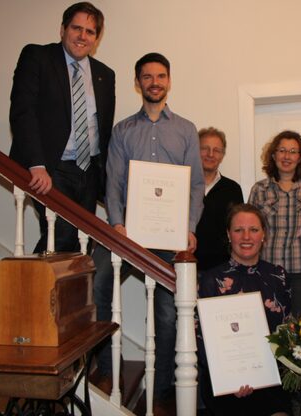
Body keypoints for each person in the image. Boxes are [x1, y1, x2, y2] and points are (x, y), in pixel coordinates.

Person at [91, 52, 204, 399]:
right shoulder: (123, 130)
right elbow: (113, 183)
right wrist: (117, 224)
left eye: (160, 76)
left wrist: (188, 227)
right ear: (137, 82)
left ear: (169, 81)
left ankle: (166, 387)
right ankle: (109, 369)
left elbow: (196, 184)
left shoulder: (186, 130)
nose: (154, 82)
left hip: (171, 238)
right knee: (97, 287)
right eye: (147, 76)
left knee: (169, 314)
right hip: (128, 235)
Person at [9, 2, 115, 253]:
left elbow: (104, 130)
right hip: (51, 168)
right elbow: (23, 112)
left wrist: (108, 182)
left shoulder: (105, 74)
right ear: (62, 29)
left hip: (88, 172)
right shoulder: (38, 57)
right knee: (60, 235)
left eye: (90, 31)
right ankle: (28, 291)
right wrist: (36, 164)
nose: (82, 36)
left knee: (81, 242)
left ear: (97, 38)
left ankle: (59, 293)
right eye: (76, 28)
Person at [198, 203, 291, 416]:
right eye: (239, 230)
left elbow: (285, 333)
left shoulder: (279, 276)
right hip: (225, 382)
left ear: (264, 235)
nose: (246, 237)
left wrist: (262, 377)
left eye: (254, 230)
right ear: (229, 235)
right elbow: (200, 339)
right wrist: (231, 380)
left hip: (269, 377)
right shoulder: (211, 280)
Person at [248, 130, 301, 321]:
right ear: (273, 155)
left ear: (300, 157)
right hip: (267, 272)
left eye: (293, 151)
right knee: (268, 328)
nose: (287, 156)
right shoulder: (259, 190)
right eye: (282, 150)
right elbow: (250, 231)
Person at [194, 127, 244, 271]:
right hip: (184, 266)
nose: (210, 154)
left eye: (217, 150)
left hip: (222, 269)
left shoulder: (233, 189)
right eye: (204, 148)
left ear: (222, 155)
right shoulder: (182, 184)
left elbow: (237, 230)